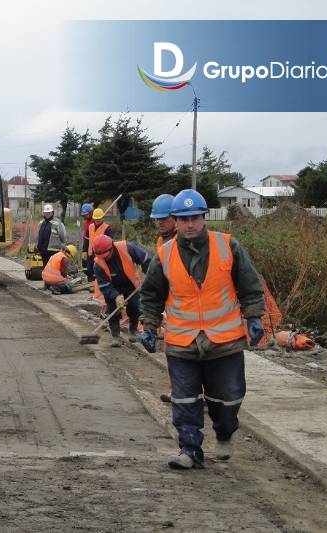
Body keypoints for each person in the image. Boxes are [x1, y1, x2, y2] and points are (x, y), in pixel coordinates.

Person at [139, 189, 265, 470]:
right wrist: (149, 326)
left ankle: (224, 432)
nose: (189, 224)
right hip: (183, 342)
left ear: (204, 217)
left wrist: (254, 317)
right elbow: (151, 295)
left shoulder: (228, 246)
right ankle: (189, 449)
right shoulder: (165, 254)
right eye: (183, 219)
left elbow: (250, 286)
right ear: (175, 221)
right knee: (184, 399)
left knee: (229, 396)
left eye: (195, 217)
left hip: (225, 341)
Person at [91, 235, 151, 347]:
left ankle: (133, 332)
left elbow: (146, 259)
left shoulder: (127, 247)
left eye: (106, 255)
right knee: (113, 309)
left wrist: (150, 275)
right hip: (112, 286)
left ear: (112, 247)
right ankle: (115, 336)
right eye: (102, 256)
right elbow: (104, 285)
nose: (105, 258)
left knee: (135, 306)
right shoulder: (98, 264)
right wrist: (116, 296)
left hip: (130, 283)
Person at [151, 193, 177, 403]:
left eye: (163, 218)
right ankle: (176, 391)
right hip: (173, 307)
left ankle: (200, 394)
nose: (159, 222)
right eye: (157, 219)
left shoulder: (183, 240)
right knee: (172, 350)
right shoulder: (162, 241)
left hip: (192, 308)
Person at [82, 208, 114, 288]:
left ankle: (98, 286)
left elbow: (110, 242)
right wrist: (84, 251)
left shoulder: (107, 228)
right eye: (96, 219)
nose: (97, 221)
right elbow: (86, 240)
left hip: (101, 254)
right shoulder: (90, 227)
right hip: (91, 252)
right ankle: (91, 285)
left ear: (102, 218)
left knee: (99, 270)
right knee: (89, 269)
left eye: (99, 219)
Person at [79, 203, 95, 280]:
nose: (85, 216)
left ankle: (92, 280)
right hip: (87, 247)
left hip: (93, 248)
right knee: (85, 265)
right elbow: (86, 237)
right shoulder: (87, 222)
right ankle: (89, 279)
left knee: (90, 267)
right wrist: (84, 250)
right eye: (84, 215)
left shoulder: (94, 222)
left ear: (91, 213)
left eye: (86, 214)